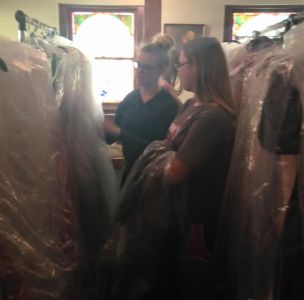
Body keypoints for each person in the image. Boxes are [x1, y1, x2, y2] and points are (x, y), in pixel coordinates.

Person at [107, 37, 236, 300]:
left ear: (200, 67)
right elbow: (166, 146)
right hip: (171, 212)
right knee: (158, 277)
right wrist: (163, 152)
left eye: (181, 65)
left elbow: (175, 171)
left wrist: (158, 153)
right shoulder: (190, 105)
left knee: (183, 284)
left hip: (193, 219)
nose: (177, 71)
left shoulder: (212, 117)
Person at [104, 39, 179, 185]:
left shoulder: (169, 106)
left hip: (153, 177)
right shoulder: (131, 98)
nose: (139, 71)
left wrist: (118, 132)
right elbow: (110, 138)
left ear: (161, 69)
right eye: (138, 65)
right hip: (129, 172)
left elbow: (157, 150)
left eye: (147, 67)